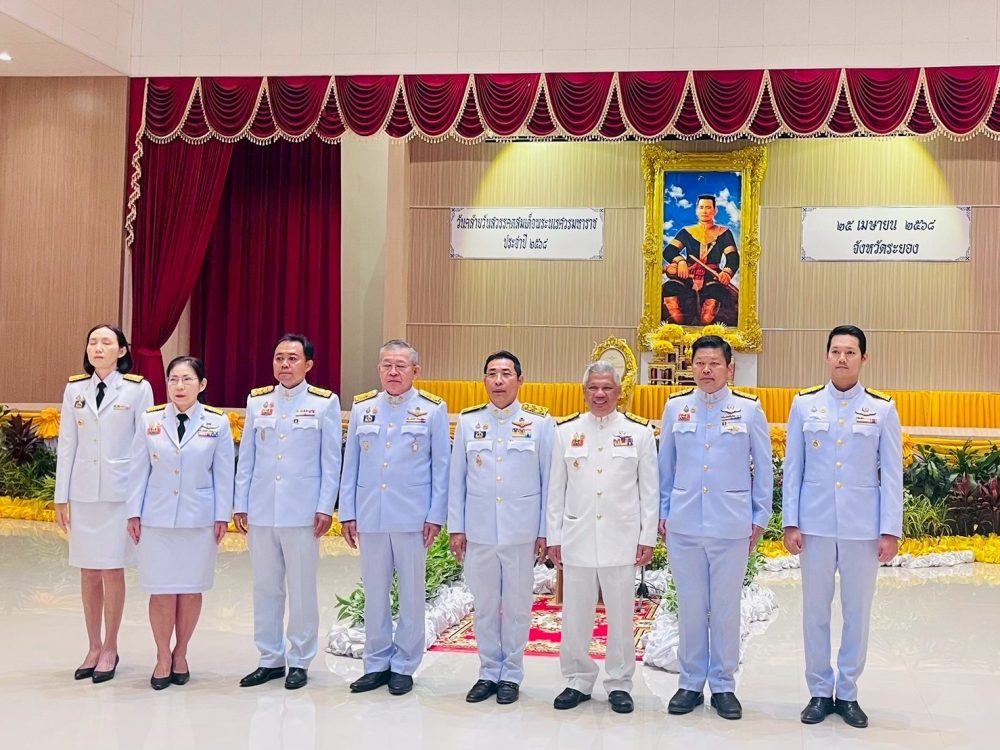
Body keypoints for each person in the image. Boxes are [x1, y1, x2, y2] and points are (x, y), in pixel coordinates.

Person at [783, 325, 903, 729]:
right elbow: (794, 467)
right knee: (815, 612)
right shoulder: (804, 404)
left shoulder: (882, 409)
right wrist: (791, 521)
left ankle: (848, 692)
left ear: (863, 358)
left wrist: (890, 529)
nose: (842, 358)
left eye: (851, 352)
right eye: (836, 351)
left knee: (857, 613)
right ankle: (819, 691)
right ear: (826, 356)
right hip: (815, 525)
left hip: (861, 528)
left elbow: (892, 474)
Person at [657, 335, 772, 720]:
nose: (706, 370)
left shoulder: (749, 410)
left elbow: (764, 468)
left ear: (729, 368)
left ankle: (723, 684)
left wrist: (759, 517)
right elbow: (665, 466)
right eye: (700, 363)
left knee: (725, 608)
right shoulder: (676, 408)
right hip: (684, 524)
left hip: (731, 524)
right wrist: (663, 512)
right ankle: (690, 682)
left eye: (714, 364)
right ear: (691, 367)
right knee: (690, 606)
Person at [546, 361, 658, 714]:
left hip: (621, 538)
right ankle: (577, 679)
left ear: (619, 392)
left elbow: (649, 491)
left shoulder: (639, 432)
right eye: (593, 387)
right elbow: (555, 490)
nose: (599, 394)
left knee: (621, 617)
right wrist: (553, 536)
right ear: (584, 391)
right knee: (575, 615)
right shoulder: (565, 432)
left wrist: (647, 536)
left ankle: (620, 683)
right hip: (577, 535)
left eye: (607, 387)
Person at [340, 339, 450, 696]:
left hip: (412, 517)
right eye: (387, 365)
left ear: (415, 371)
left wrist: (435, 515)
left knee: (411, 594)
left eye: (401, 366)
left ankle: (404, 664)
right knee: (374, 592)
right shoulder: (363, 408)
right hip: (371, 514)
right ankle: (376, 663)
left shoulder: (432, 409)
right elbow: (351, 465)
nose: (393, 372)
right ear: (378, 369)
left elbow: (441, 468)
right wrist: (348, 512)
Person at [234, 334, 342, 691]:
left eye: (292, 358)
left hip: (303, 512)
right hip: (262, 508)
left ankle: (299, 660)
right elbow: (247, 458)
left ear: (308, 364)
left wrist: (325, 506)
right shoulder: (258, 401)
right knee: (265, 587)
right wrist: (240, 502)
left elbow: (331, 461)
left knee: (301, 589)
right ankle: (269, 658)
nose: (284, 364)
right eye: (279, 357)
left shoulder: (324, 403)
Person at [447, 351, 554, 705]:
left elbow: (549, 481)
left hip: (521, 531)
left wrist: (544, 531)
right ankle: (488, 671)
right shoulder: (468, 421)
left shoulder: (540, 423)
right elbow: (457, 480)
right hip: (479, 530)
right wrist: (457, 527)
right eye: (492, 373)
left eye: (506, 373)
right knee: (485, 605)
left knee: (518, 606)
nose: (498, 380)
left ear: (520, 380)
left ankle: (511, 674)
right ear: (484, 380)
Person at [126, 356, 234, 690]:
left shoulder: (218, 422)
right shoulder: (150, 420)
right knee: (160, 591)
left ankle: (181, 652)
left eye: (187, 379)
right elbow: (137, 470)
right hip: (156, 518)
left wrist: (222, 515)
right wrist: (133, 512)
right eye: (173, 379)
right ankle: (162, 655)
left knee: (190, 589)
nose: (179, 386)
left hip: (198, 520)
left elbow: (224, 473)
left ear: (202, 384)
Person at [54, 323, 154, 683]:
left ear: (122, 351)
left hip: (119, 494)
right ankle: (93, 646)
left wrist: (139, 500)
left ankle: (111, 646)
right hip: (84, 493)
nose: (98, 348)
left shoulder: (138, 389)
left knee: (112, 570)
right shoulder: (74, 389)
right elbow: (67, 443)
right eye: (93, 342)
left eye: (106, 342)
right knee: (88, 570)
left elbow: (144, 447)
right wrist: (61, 496)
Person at [662, 194, 739, 326]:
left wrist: (727, 272)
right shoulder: (686, 231)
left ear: (715, 210)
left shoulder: (724, 233)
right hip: (687, 275)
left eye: (708, 207)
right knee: (670, 289)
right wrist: (680, 261)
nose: (704, 211)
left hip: (712, 276)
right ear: (696, 210)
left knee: (715, 295)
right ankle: (679, 330)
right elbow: (669, 251)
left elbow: (733, 257)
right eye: (701, 207)